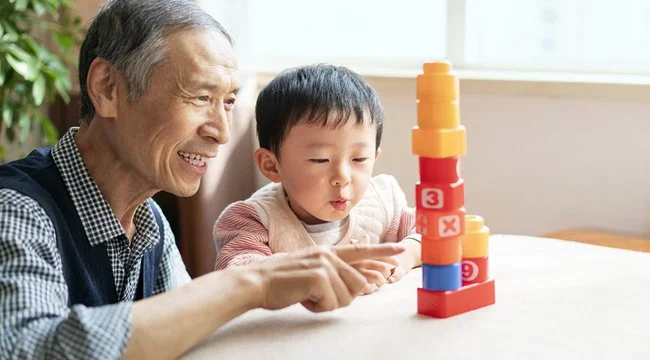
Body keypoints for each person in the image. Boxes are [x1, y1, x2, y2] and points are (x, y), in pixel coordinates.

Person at [0, 1, 406, 359]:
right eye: (199, 97)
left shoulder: (149, 222)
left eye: (228, 102)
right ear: (108, 89)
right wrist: (253, 281)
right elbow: (28, 348)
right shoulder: (15, 209)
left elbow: (195, 339)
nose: (222, 132)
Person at [213, 64, 422, 294]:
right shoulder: (252, 218)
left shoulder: (384, 201)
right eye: (321, 160)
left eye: (360, 159)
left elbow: (439, 233)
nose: (342, 178)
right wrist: (326, 267)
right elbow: (236, 276)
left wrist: (407, 254)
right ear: (272, 165)